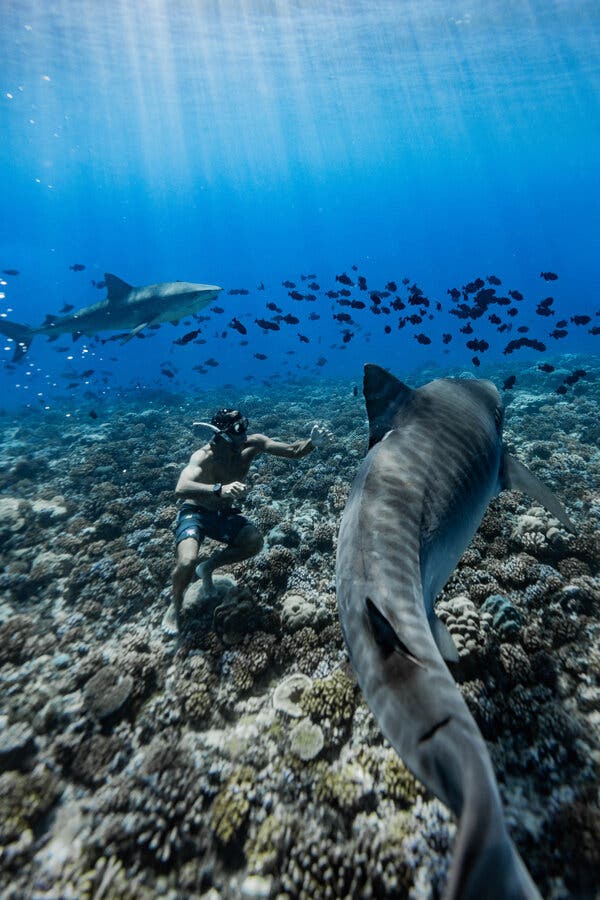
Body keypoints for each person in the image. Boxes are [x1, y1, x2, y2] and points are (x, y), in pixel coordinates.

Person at [164, 407, 331, 634]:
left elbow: (292, 450)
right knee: (186, 561)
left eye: (245, 425)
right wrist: (219, 489)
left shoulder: (252, 444)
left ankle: (208, 568)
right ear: (221, 433)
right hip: (195, 513)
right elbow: (181, 488)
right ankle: (175, 606)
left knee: (254, 541)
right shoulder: (204, 456)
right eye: (237, 429)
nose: (244, 433)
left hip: (222, 515)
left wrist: (312, 443)